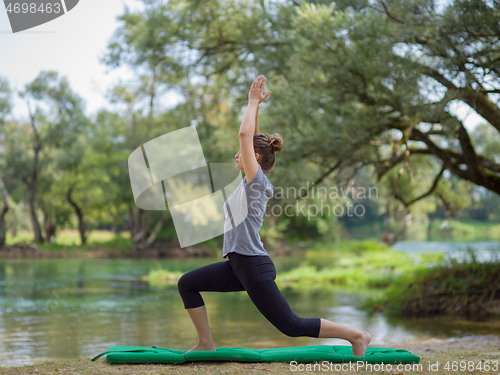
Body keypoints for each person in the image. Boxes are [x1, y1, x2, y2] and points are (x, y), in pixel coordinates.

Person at [177, 75, 372, 356]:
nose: (236, 155)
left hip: (253, 266)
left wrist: (252, 102)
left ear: (254, 158)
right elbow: (253, 138)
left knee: (291, 325)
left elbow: (245, 137)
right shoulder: (251, 180)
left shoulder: (256, 183)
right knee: (188, 284)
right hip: (237, 265)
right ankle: (206, 343)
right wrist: (256, 110)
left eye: (241, 153)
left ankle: (357, 335)